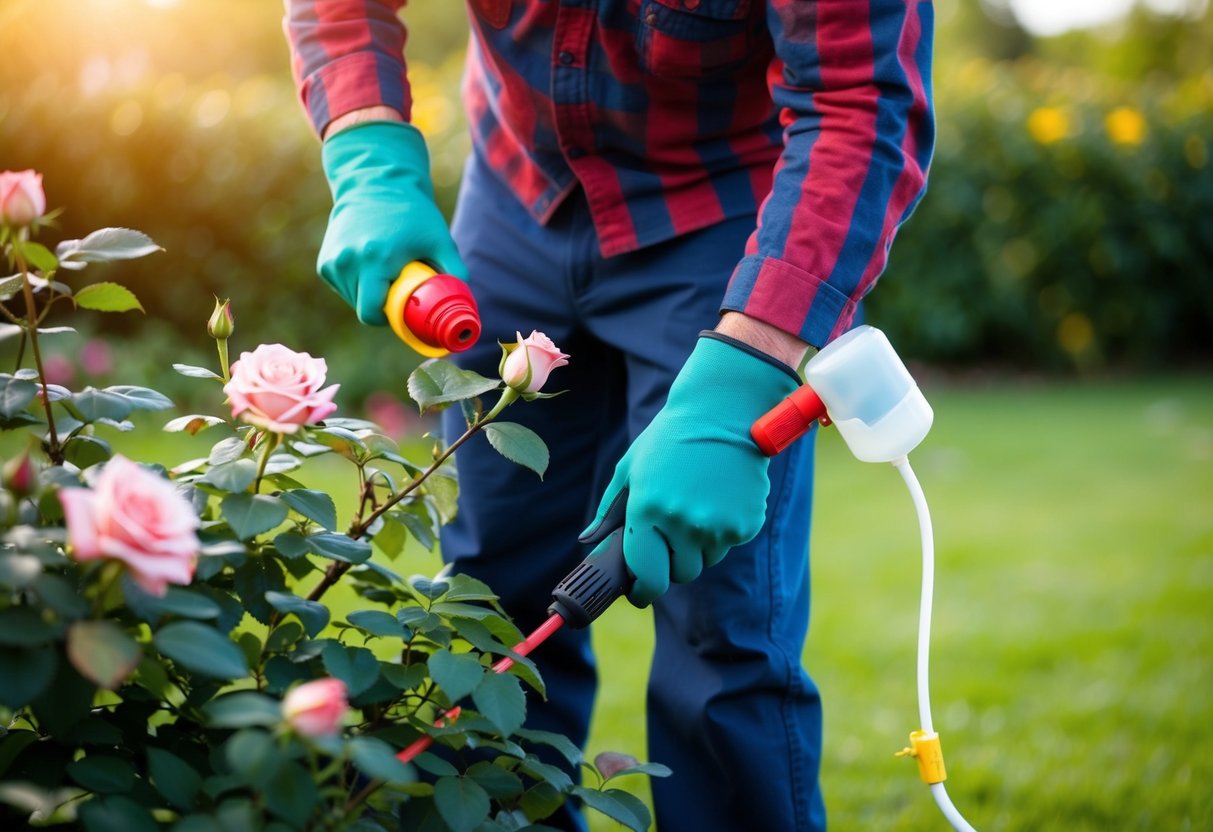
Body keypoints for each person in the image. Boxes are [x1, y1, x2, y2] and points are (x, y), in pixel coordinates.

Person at [284, 2, 934, 829]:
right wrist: (365, 151)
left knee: (723, 630)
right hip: (518, 188)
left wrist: (746, 376)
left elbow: (861, 102)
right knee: (486, 603)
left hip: (727, 213)